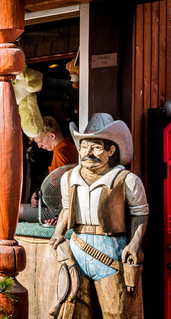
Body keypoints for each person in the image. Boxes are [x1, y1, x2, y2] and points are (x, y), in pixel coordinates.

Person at [48, 113, 148, 318]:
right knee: (75, 311)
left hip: (110, 251)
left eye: (96, 147)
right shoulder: (69, 178)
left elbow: (140, 214)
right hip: (77, 249)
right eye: (84, 146)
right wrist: (58, 232)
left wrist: (134, 244)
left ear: (111, 150)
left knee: (117, 310)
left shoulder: (126, 179)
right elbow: (66, 209)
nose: (88, 152)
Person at [30, 116, 79, 225]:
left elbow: (58, 188)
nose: (39, 146)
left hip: (61, 210)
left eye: (40, 141)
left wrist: (58, 217)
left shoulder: (60, 153)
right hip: (69, 208)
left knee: (18, 210)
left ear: (51, 136)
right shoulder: (70, 147)